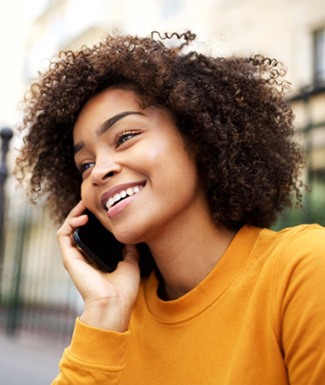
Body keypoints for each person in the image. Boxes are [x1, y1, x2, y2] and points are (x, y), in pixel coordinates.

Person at [15, 31, 325, 384]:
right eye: (85, 165)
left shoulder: (304, 269)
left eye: (125, 137)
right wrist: (104, 311)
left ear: (196, 136)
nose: (99, 171)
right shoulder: (116, 320)